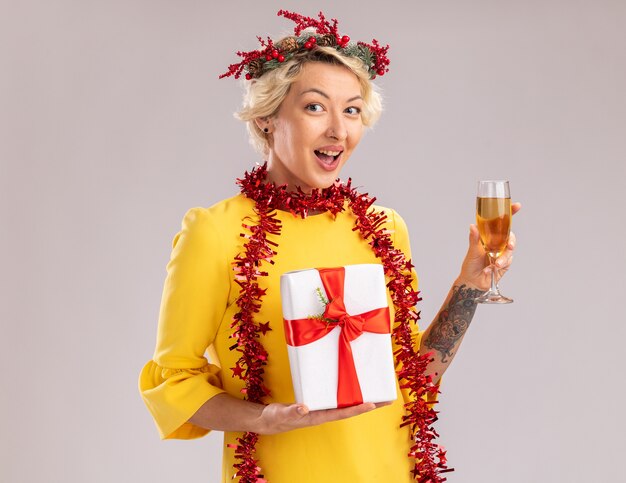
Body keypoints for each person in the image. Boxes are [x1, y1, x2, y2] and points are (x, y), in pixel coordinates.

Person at [138, 10, 519, 483]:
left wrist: (470, 286)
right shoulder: (214, 232)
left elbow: (412, 379)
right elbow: (175, 380)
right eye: (315, 107)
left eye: (353, 109)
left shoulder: (385, 228)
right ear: (267, 120)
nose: (339, 130)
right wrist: (264, 419)